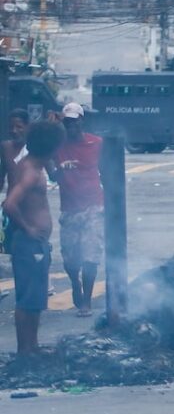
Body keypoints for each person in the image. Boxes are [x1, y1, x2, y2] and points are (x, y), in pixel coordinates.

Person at [4, 120, 65, 355]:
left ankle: (32, 346)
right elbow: (10, 204)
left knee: (34, 299)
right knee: (29, 299)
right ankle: (25, 349)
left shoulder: (32, 165)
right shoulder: (31, 173)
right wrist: (28, 228)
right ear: (52, 147)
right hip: (30, 244)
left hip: (34, 243)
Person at [51, 103, 105, 318]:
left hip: (93, 205)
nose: (71, 125)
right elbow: (50, 172)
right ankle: (75, 283)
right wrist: (58, 170)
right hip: (70, 208)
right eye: (67, 122)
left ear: (82, 121)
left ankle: (87, 301)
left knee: (91, 255)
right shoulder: (57, 145)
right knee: (70, 259)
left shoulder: (96, 143)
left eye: (75, 121)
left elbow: (107, 171)